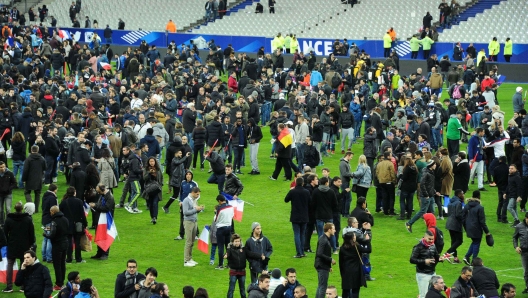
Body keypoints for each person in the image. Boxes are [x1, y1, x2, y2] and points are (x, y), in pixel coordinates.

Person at [3, 202, 36, 293]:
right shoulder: (28, 219)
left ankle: (9, 286)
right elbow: (31, 233)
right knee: (24, 264)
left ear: (15, 208)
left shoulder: (9, 219)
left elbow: (5, 233)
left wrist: (7, 243)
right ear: (22, 209)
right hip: (24, 245)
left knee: (10, 264)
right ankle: (23, 286)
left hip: (12, 244)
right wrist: (31, 243)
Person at [225, 233, 263, 298]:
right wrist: (225, 256)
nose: (237, 243)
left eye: (238, 241)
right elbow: (226, 254)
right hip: (233, 272)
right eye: (236, 241)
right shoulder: (230, 250)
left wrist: (260, 256)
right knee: (231, 289)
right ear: (232, 242)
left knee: (242, 289)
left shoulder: (244, 249)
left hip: (242, 272)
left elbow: (251, 254)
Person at [406, 160, 439, 233]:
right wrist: (426, 195)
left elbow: (429, 185)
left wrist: (434, 192)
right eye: (435, 164)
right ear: (431, 165)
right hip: (426, 196)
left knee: (432, 213)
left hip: (431, 195)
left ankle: (431, 230)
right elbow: (422, 185)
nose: (436, 166)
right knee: (422, 212)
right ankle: (409, 223)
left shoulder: (431, 172)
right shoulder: (426, 173)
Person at [59, 186, 88, 264]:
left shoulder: (64, 202)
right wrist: (85, 223)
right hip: (78, 224)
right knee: (77, 242)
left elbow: (60, 214)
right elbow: (82, 214)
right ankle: (78, 258)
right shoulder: (79, 201)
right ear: (74, 192)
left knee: (69, 242)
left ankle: (69, 259)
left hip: (67, 225)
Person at [410, 230, 442, 298]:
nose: (431, 241)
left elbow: (436, 256)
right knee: (424, 295)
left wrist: (441, 259)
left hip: (432, 273)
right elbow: (412, 260)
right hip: (422, 274)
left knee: (433, 293)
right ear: (424, 237)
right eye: (429, 239)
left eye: (432, 239)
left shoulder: (433, 245)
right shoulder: (418, 247)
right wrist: (424, 261)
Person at [339, 230, 371, 298]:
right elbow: (368, 250)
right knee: (355, 290)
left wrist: (342, 273)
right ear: (352, 238)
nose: (355, 237)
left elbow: (340, 262)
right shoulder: (356, 246)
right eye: (354, 236)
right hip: (356, 270)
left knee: (345, 291)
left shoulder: (342, 248)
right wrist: (368, 241)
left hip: (346, 271)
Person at [462, 190, 490, 265]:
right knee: (477, 243)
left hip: (468, 227)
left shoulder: (466, 205)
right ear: (479, 196)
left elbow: (463, 218)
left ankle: (467, 256)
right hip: (476, 228)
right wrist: (487, 232)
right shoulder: (480, 207)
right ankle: (474, 261)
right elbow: (482, 221)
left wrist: (466, 227)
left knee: (474, 242)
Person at [44, 205, 69, 290]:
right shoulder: (65, 219)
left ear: (53, 212)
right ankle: (62, 282)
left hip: (57, 245)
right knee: (62, 263)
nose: (50, 214)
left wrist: (46, 234)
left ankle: (59, 283)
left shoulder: (54, 221)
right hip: (65, 243)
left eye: (51, 212)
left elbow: (52, 234)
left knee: (57, 264)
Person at [285, 177, 310, 258]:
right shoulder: (306, 192)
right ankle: (302, 252)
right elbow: (310, 202)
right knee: (302, 234)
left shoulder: (293, 191)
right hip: (305, 216)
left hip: (295, 216)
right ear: (303, 183)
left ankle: (299, 253)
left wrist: (291, 190)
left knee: (297, 234)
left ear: (296, 183)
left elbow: (286, 200)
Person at [89, 184, 114, 260]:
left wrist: (95, 206)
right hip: (100, 220)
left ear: (102, 189)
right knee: (99, 236)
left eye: (98, 190)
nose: (97, 192)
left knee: (104, 237)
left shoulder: (110, 197)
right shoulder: (102, 195)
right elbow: (100, 205)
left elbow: (106, 208)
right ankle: (99, 253)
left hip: (106, 220)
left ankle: (105, 254)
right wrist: (95, 205)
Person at [183, 187, 203, 267]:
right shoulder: (186, 200)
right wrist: (196, 210)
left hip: (194, 221)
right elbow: (185, 212)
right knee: (188, 241)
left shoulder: (194, 200)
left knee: (192, 242)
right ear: (193, 193)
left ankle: (190, 258)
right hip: (188, 222)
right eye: (197, 194)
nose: (198, 196)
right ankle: (186, 261)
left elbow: (194, 210)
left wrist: (199, 209)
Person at [315, 223, 336, 298]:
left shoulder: (324, 238)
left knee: (321, 285)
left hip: (323, 265)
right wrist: (330, 259)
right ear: (329, 230)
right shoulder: (323, 239)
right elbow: (319, 253)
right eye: (333, 229)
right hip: (321, 265)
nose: (335, 231)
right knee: (323, 286)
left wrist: (328, 267)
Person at [23, 145, 46, 212]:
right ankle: (36, 209)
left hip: (29, 178)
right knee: (37, 193)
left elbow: (25, 170)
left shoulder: (28, 159)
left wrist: (24, 179)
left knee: (27, 192)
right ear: (38, 150)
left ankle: (31, 206)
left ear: (31, 150)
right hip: (39, 178)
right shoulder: (42, 158)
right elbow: (45, 168)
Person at [444, 189, 465, 264]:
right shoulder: (458, 203)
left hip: (449, 223)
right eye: (462, 193)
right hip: (456, 224)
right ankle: (447, 253)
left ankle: (455, 258)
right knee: (459, 241)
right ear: (459, 195)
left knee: (454, 241)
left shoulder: (450, 202)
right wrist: (464, 218)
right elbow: (458, 215)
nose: (463, 195)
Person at [213, 194, 234, 270]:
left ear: (219, 201)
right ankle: (229, 264)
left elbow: (216, 220)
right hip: (229, 227)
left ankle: (221, 264)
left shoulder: (219, 209)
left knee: (221, 246)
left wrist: (215, 213)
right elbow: (232, 216)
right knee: (228, 246)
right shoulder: (231, 207)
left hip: (221, 228)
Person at [41, 184, 58, 263]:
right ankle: (49, 257)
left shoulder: (45, 196)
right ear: (55, 189)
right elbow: (53, 210)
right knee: (50, 238)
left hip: (44, 219)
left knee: (45, 238)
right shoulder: (52, 198)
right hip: (49, 220)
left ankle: (44, 256)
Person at [398, 156, 418, 220]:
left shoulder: (406, 169)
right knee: (410, 201)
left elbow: (404, 178)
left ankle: (402, 215)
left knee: (402, 201)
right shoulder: (415, 169)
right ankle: (409, 215)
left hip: (405, 187)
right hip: (412, 187)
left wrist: (400, 176)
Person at [143, 157, 163, 224]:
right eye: (150, 161)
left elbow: (161, 177)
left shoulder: (158, 169)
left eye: (153, 161)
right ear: (148, 162)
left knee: (155, 203)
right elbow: (144, 178)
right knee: (150, 204)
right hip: (149, 189)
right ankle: (152, 217)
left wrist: (160, 184)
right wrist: (149, 173)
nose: (152, 163)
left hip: (156, 189)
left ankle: (154, 217)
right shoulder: (146, 169)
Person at [513, 212, 528, 295]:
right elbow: (514, 237)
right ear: (526, 218)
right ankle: (527, 287)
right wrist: (516, 247)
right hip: (524, 251)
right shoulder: (519, 226)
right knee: (526, 271)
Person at [0, 161, 16, 225]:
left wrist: (9, 189)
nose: (3, 168)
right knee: (0, 210)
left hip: (8, 194)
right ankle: (2, 223)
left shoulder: (10, 173)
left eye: (3, 166)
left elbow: (14, 183)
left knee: (8, 209)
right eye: (1, 167)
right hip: (0, 194)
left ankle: (8, 222)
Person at [339, 152, 354, 217]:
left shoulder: (345, 163)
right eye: (351, 157)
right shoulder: (343, 163)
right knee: (348, 198)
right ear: (347, 155)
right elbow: (344, 173)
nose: (351, 158)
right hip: (344, 182)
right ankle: (346, 213)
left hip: (346, 182)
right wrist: (352, 174)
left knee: (345, 198)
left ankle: (343, 212)